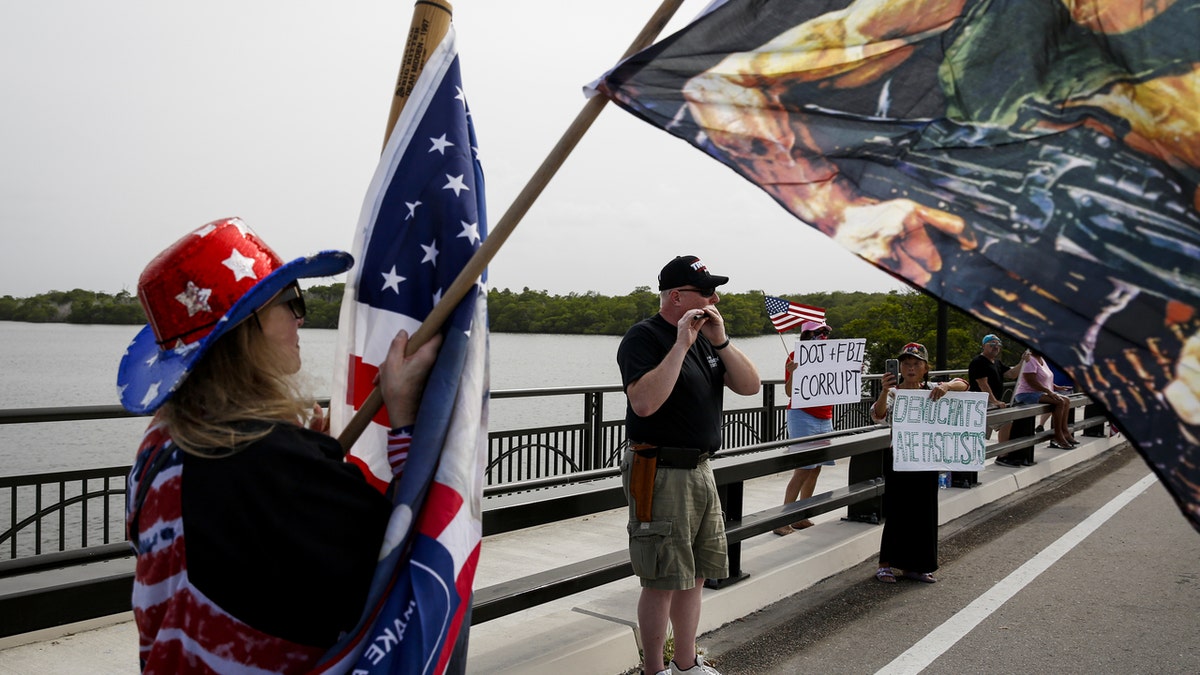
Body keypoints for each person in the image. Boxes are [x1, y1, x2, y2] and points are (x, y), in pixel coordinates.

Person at [118, 218, 442, 673]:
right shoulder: (263, 459)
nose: (300, 316)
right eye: (290, 301)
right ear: (245, 329)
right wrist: (405, 421)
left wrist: (309, 457)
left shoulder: (163, 440)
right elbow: (403, 557)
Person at [617, 255, 761, 675]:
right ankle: (654, 671)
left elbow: (751, 387)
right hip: (658, 469)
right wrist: (680, 344)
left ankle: (686, 664)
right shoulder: (643, 338)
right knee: (662, 578)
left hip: (700, 468)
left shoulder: (706, 338)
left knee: (695, 574)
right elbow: (644, 402)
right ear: (677, 296)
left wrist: (719, 340)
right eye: (706, 292)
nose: (715, 298)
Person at [869, 342, 968, 584]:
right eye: (906, 364)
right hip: (900, 458)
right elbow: (878, 415)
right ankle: (886, 564)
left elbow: (964, 384)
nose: (911, 368)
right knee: (897, 511)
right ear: (900, 368)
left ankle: (917, 566)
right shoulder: (894, 392)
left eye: (916, 364)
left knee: (924, 512)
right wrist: (884, 391)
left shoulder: (933, 389)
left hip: (927, 458)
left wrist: (946, 386)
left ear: (925, 368)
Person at [773, 319, 837, 535]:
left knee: (816, 468)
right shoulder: (794, 357)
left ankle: (802, 516)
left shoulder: (831, 356)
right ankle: (783, 520)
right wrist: (793, 373)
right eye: (817, 333)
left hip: (825, 416)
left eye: (824, 332)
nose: (822, 336)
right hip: (802, 415)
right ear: (806, 336)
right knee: (803, 469)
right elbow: (790, 393)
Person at [958, 334, 1027, 485]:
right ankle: (1002, 455)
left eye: (998, 344)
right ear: (984, 346)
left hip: (990, 403)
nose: (995, 347)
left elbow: (1011, 374)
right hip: (981, 403)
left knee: (1002, 423)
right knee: (1001, 423)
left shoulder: (996, 363)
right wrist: (995, 401)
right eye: (991, 344)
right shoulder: (978, 362)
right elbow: (982, 384)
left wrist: (1023, 361)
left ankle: (1002, 454)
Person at [1005, 348, 1076, 456]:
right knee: (1060, 402)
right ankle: (1058, 435)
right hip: (1026, 394)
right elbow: (1031, 381)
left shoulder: (1042, 359)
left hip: (1040, 393)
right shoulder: (1030, 360)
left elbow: (1045, 379)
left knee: (1066, 400)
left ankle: (1064, 431)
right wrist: (1049, 392)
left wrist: (1057, 387)